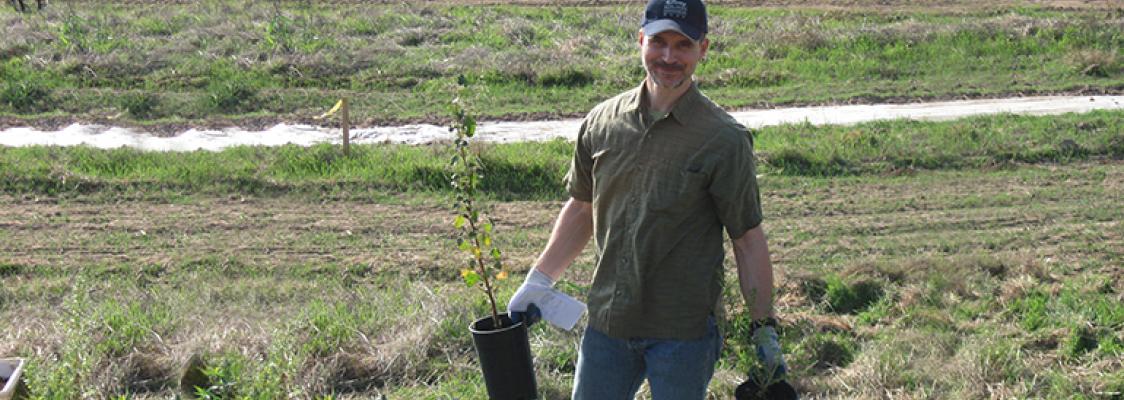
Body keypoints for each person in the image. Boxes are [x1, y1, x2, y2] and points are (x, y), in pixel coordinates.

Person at [508, 0, 793, 398]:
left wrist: (764, 331)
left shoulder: (724, 140)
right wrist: (539, 280)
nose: (668, 56)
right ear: (641, 40)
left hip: (684, 334)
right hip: (608, 324)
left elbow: (747, 239)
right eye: (658, 41)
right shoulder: (603, 122)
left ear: (703, 50)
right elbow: (583, 208)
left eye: (683, 45)